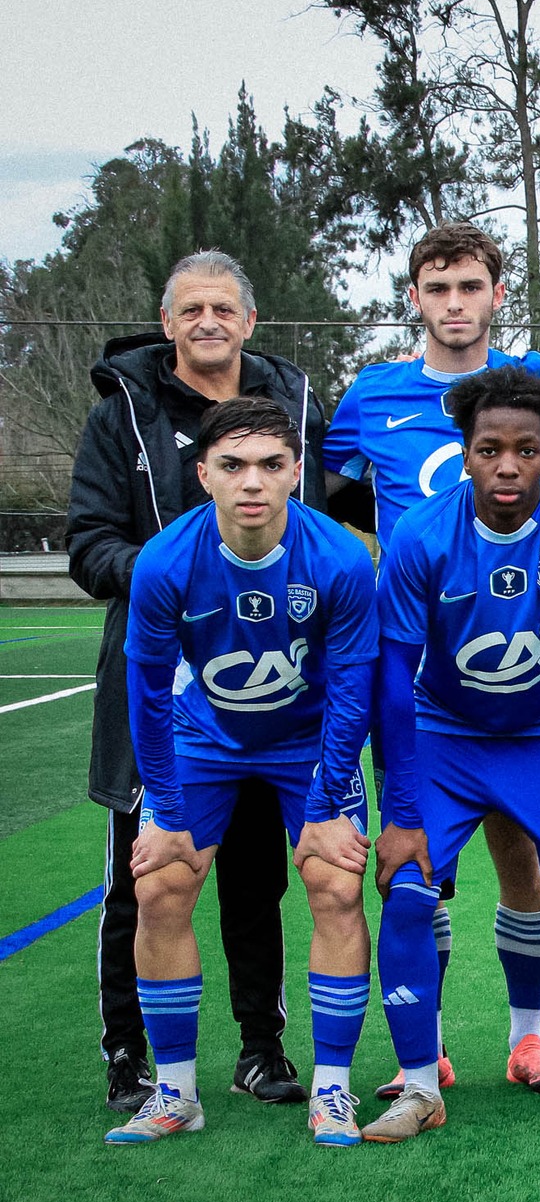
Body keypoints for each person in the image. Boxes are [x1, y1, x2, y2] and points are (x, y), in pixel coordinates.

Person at [67, 248, 354, 1112]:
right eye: (190, 309)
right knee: (152, 868)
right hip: (165, 671)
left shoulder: (293, 405)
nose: (208, 323)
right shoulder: (123, 410)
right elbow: (88, 543)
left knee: (264, 874)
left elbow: (339, 503)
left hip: (277, 686)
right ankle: (132, 1055)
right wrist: (185, 581)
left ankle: (261, 1050)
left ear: (248, 322)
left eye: (223, 309)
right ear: (167, 324)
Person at [325, 221, 540, 1100]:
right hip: (420, 679)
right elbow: (330, 486)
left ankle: (528, 1041)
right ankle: (423, 1049)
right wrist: (380, 556)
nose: (455, 304)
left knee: (522, 860)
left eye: (471, 286)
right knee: (418, 872)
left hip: (523, 667)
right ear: (415, 300)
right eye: (438, 289)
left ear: (496, 295)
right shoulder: (373, 393)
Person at [363, 366, 540, 1141]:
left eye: (526, 449)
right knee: (409, 889)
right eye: (490, 449)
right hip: (444, 733)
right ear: (465, 455)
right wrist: (404, 811)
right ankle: (420, 1087)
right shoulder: (421, 536)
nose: (508, 465)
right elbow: (391, 680)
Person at [104, 397, 377, 1146]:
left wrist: (324, 805)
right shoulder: (165, 561)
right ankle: (176, 1091)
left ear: (295, 472)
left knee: (334, 883)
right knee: (159, 883)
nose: (250, 482)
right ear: (204, 475)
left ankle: (332, 1091)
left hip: (309, 739)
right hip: (205, 738)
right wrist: (166, 809)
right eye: (232, 466)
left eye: (268, 465)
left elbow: (353, 692)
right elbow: (147, 695)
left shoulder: (341, 560)